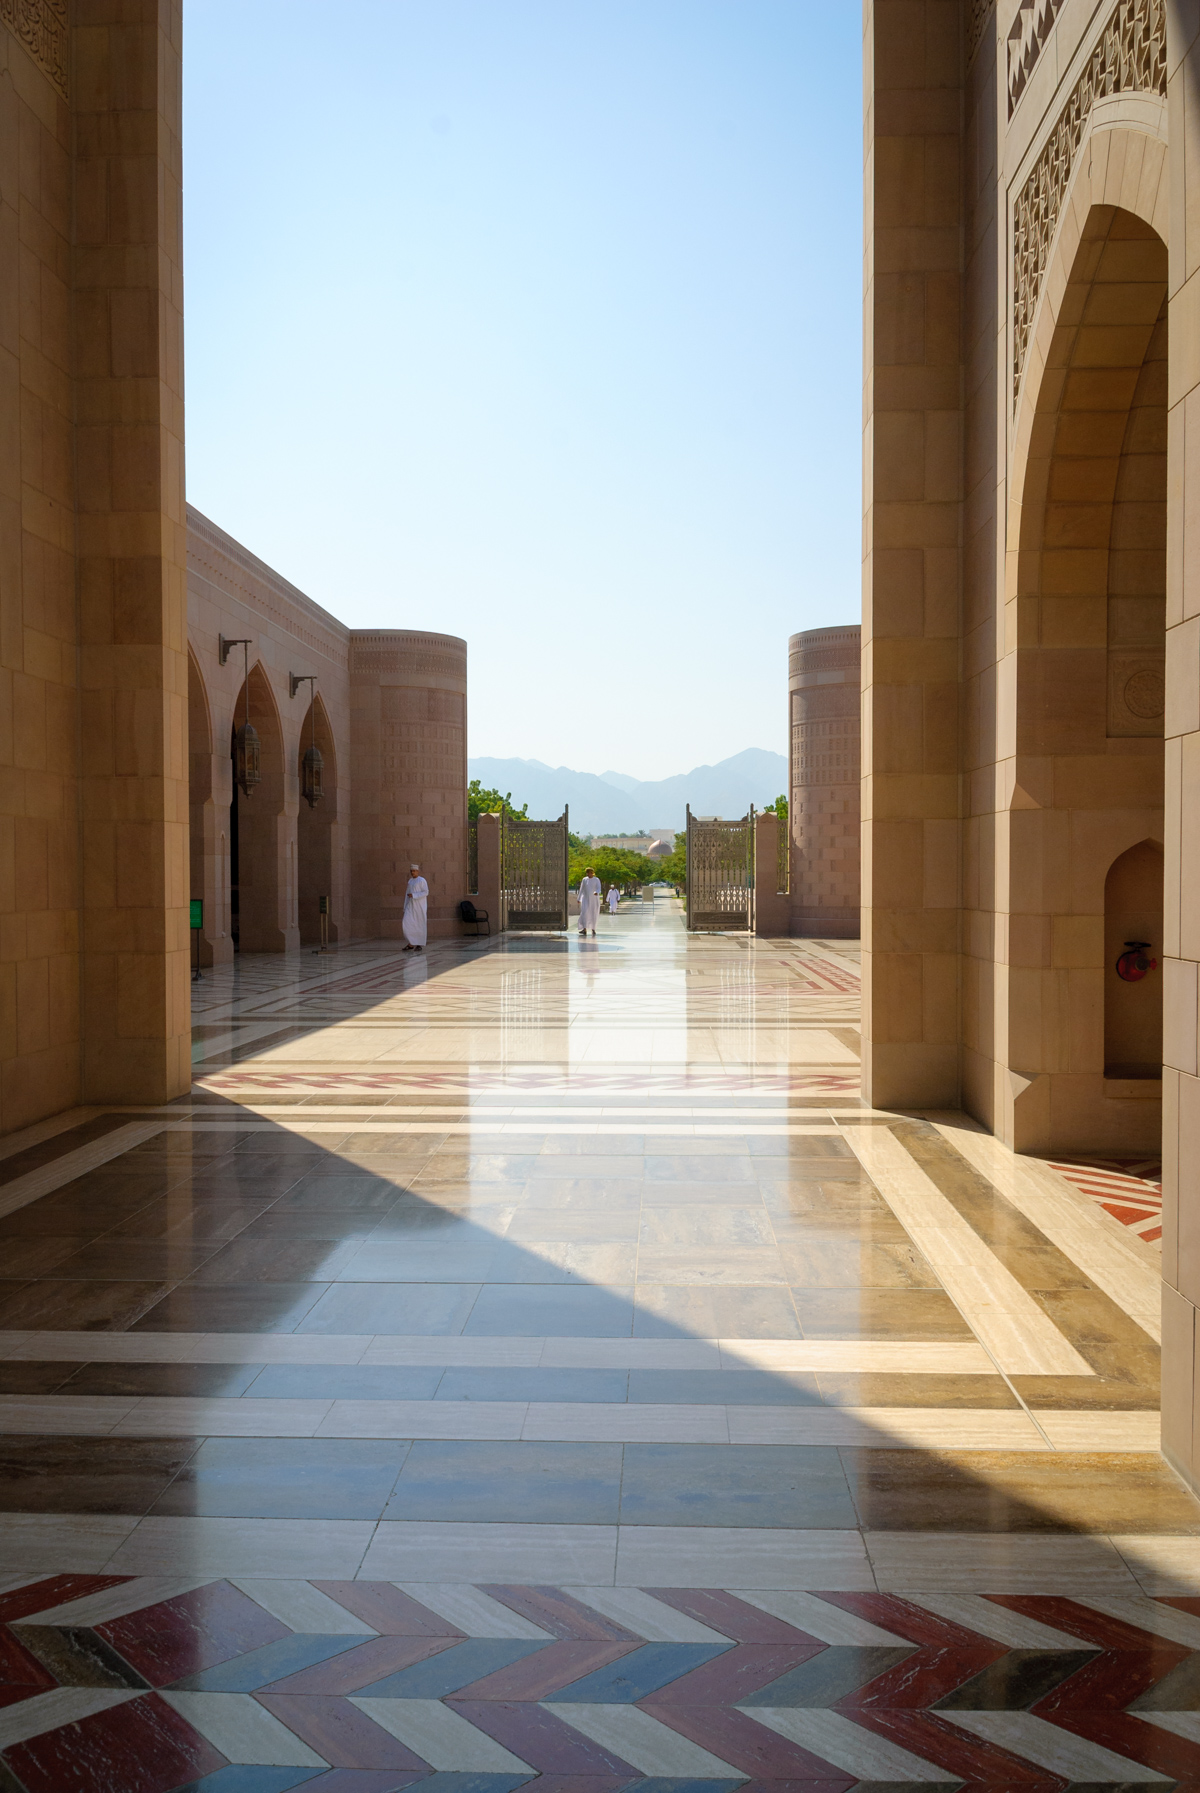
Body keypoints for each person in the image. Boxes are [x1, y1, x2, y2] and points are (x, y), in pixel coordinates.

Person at [402, 863, 428, 951]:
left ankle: (419, 944)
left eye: (414, 871)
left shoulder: (422, 880)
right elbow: (407, 894)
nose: (412, 873)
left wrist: (414, 895)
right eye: (411, 871)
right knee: (407, 923)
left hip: (419, 906)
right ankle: (411, 943)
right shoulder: (410, 881)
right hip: (410, 905)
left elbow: (425, 892)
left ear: (417, 871)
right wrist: (405, 906)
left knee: (419, 924)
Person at [578, 866, 601, 936]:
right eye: (587, 873)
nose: (588, 874)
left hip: (594, 900)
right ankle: (584, 929)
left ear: (592, 873)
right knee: (584, 913)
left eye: (589, 873)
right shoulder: (584, 880)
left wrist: (596, 892)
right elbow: (581, 889)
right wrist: (579, 898)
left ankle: (593, 929)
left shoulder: (596, 879)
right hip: (585, 899)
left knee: (593, 913)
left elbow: (599, 888)